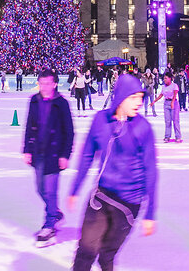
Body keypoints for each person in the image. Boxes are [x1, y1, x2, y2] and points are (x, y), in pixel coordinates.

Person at [67, 73, 158, 271]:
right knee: (85, 252)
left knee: (106, 255)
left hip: (128, 205)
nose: (139, 103)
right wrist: (74, 189)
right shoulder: (101, 120)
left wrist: (150, 213)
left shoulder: (143, 128)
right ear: (121, 97)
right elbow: (86, 156)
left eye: (141, 97)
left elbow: (151, 171)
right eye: (133, 98)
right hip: (101, 197)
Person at [21, 69, 75, 247]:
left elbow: (69, 132)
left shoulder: (62, 103)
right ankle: (55, 213)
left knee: (51, 191)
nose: (43, 87)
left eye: (47, 84)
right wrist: (26, 149)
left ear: (54, 84)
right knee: (39, 189)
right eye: (41, 83)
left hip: (54, 153)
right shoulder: (34, 101)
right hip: (38, 152)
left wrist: (65, 155)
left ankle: (49, 224)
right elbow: (29, 126)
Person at [155, 72, 182, 143]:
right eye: (164, 78)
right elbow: (161, 95)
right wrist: (154, 101)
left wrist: (172, 102)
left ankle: (178, 136)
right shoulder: (163, 87)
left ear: (170, 78)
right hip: (166, 104)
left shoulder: (174, 85)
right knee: (167, 121)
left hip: (174, 104)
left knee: (175, 121)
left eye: (166, 78)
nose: (164, 80)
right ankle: (167, 136)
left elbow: (175, 94)